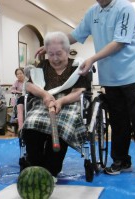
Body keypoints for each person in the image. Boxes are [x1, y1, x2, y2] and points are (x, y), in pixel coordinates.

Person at [36, 0, 135, 181]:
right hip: (110, 77)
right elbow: (76, 35)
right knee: (118, 121)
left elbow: (120, 42)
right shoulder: (93, 12)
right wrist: (52, 46)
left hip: (132, 73)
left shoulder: (125, 8)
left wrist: (92, 58)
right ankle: (121, 160)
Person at [23, 32, 90, 179]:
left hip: (69, 103)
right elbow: (29, 85)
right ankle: (36, 167)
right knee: (31, 124)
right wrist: (45, 95)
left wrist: (61, 101)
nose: (54, 58)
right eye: (51, 54)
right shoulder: (43, 65)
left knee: (60, 126)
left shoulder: (77, 67)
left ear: (67, 51)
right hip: (44, 102)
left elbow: (79, 92)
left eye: (59, 54)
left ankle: (50, 170)